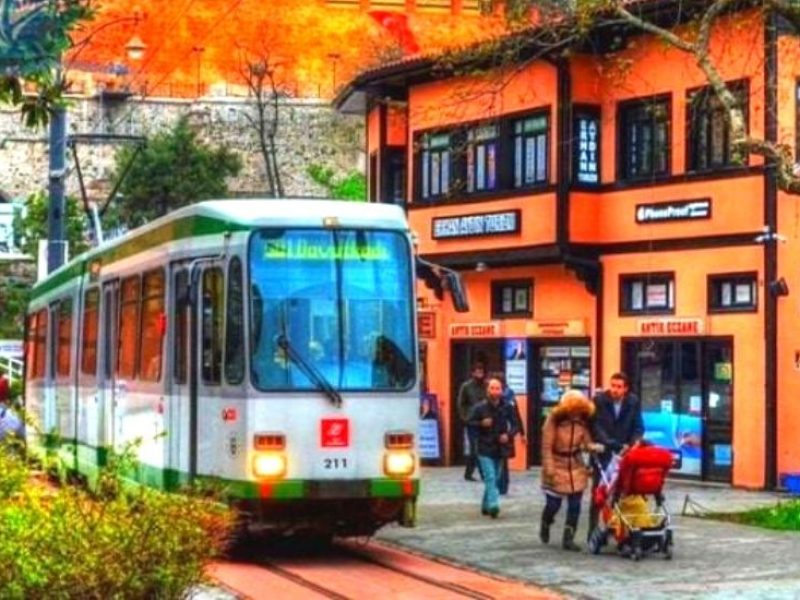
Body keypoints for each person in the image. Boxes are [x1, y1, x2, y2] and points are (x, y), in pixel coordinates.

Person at [539, 389, 602, 551]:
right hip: (557, 463)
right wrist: (549, 468)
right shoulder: (553, 420)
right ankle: (546, 521)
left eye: (580, 410)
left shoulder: (581, 422)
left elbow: (586, 441)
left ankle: (568, 538)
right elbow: (546, 447)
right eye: (575, 410)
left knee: (575, 505)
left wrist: (593, 447)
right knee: (553, 504)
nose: (577, 413)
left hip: (575, 465)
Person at [588, 372, 645, 538]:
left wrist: (635, 442)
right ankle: (592, 531)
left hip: (624, 454)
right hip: (604, 452)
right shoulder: (599, 401)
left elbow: (638, 426)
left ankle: (618, 530)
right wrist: (609, 442)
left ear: (625, 389)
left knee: (621, 493)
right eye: (613, 385)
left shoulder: (633, 402)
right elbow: (595, 426)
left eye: (619, 387)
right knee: (599, 492)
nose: (615, 390)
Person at [468, 377, 517, 518]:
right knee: (490, 477)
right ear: (487, 390)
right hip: (484, 447)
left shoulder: (507, 406)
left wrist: (508, 435)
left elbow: (515, 425)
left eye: (498, 388)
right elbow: (469, 423)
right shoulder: (480, 407)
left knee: (495, 478)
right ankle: (494, 505)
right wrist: (481, 424)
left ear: (502, 390)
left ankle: (485, 505)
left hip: (500, 448)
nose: (495, 391)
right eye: (492, 388)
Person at [491, 371, 525, 495]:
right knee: (498, 461)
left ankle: (501, 486)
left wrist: (517, 432)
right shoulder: (488, 400)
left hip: (503, 435)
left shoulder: (508, 399)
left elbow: (515, 418)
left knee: (501, 461)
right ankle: (499, 486)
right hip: (494, 436)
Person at [457, 362, 487, 481]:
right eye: (478, 372)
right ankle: (481, 473)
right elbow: (460, 404)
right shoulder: (466, 386)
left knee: (482, 448)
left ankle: (469, 473)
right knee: (475, 448)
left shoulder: (486, 385)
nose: (480, 374)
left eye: (481, 372)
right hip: (472, 422)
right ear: (473, 373)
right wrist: (465, 418)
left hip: (484, 422)